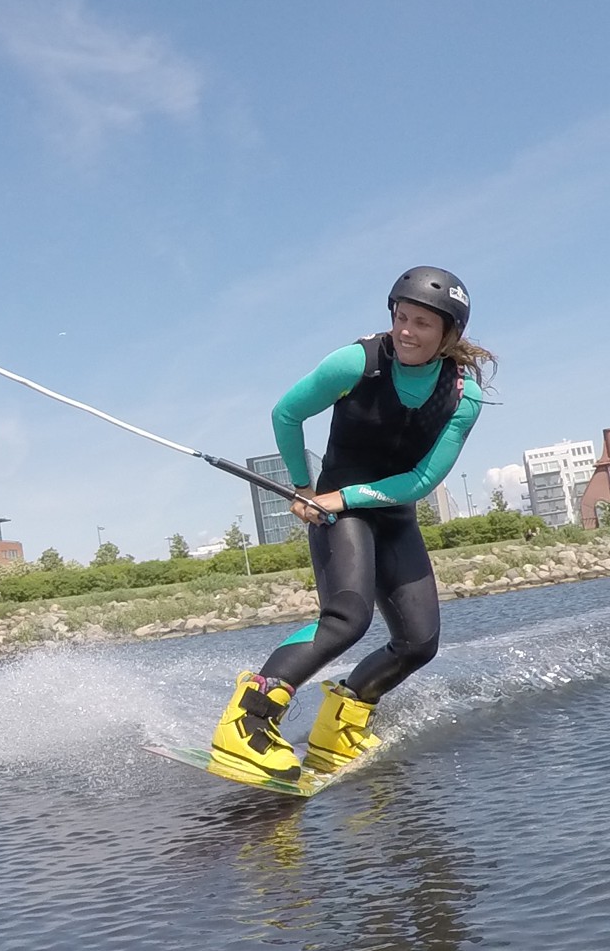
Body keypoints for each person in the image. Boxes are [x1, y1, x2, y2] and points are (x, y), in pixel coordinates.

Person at [207, 266, 490, 786]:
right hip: (337, 513)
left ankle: (339, 727)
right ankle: (246, 721)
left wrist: (350, 494)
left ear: (449, 333)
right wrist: (305, 487)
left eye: (422, 324)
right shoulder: (356, 362)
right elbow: (286, 414)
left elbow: (423, 478)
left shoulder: (462, 396)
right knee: (346, 617)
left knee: (418, 642)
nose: (406, 331)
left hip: (391, 509)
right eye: (401, 317)